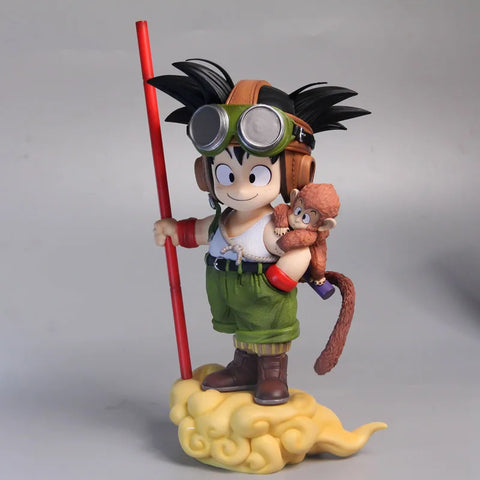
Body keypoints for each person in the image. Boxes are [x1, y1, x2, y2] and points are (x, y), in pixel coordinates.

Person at [148, 60, 368, 405]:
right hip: (228, 290)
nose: (239, 188)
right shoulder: (223, 219)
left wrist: (283, 276)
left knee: (269, 335)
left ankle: (272, 374)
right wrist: (175, 230)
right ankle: (244, 368)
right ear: (205, 174)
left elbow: (298, 249)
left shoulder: (273, 225)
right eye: (225, 174)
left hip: (265, 292)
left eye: (255, 175)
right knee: (243, 331)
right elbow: (202, 231)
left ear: (294, 174)